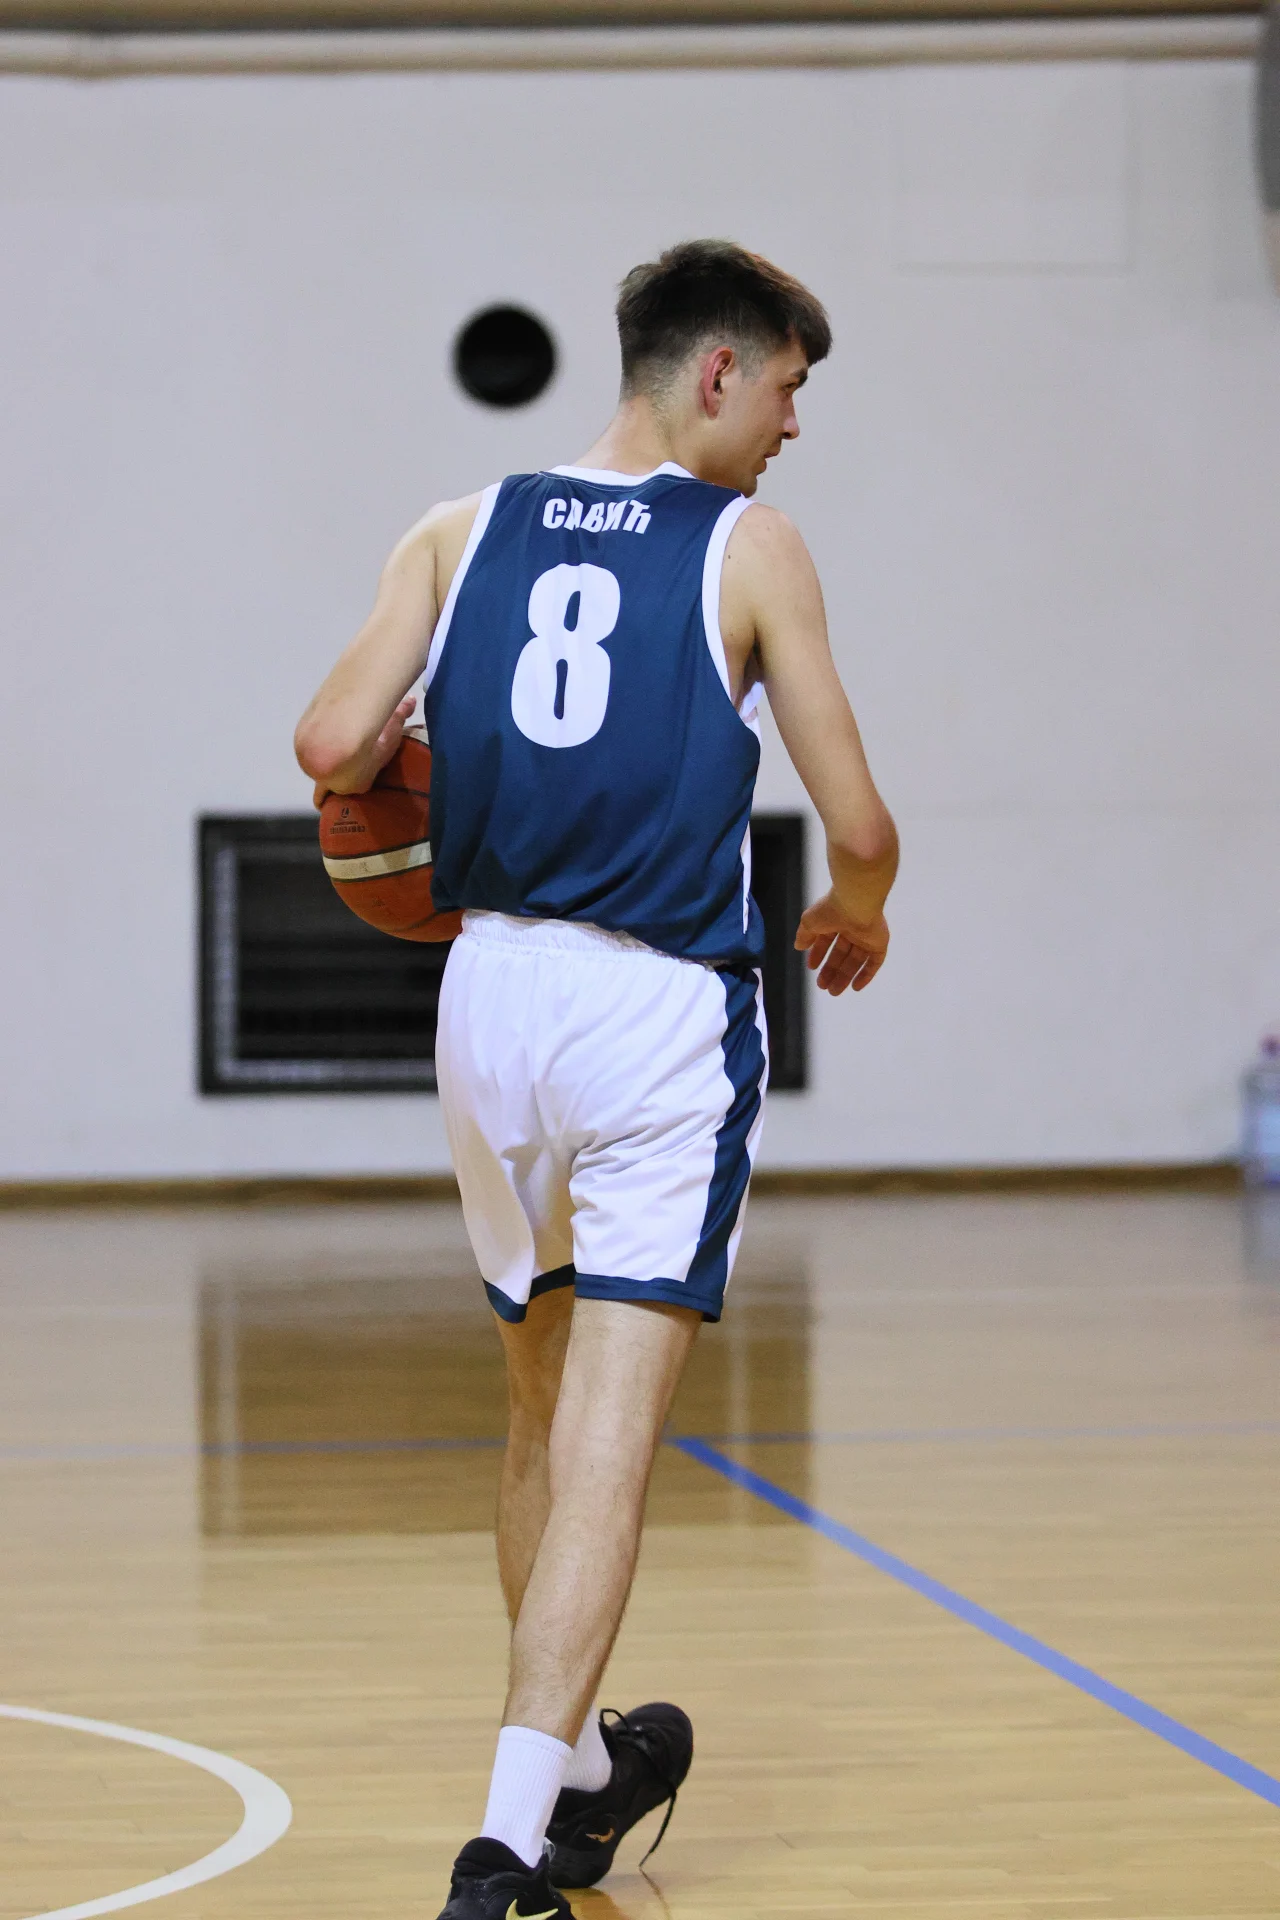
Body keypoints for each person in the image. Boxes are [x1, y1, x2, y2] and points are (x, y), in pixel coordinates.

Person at [294, 239, 899, 1920]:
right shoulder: (750, 547)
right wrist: (859, 905)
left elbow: (333, 746)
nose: (791, 428)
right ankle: (502, 1847)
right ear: (717, 373)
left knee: (538, 1411)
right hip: (653, 1015)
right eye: (789, 390)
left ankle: (574, 1778)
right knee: (611, 1449)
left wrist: (422, 761)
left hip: (489, 996)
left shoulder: (458, 526)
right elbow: (855, 826)